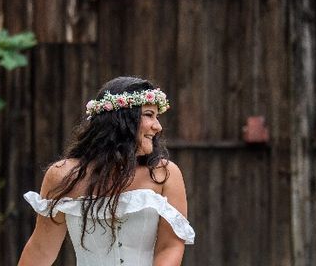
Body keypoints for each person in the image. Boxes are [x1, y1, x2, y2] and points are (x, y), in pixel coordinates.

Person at [18, 76, 195, 266]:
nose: (158, 126)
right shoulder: (62, 175)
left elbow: (170, 247)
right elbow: (40, 250)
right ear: (121, 119)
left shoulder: (165, 174)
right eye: (149, 115)